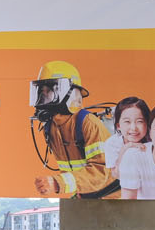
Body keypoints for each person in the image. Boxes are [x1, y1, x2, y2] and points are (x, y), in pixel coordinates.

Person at [29, 60, 116, 198]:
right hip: (87, 198)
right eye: (41, 92)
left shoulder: (88, 124)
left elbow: (100, 172)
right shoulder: (52, 127)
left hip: (114, 199)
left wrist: (57, 183)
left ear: (69, 92)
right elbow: (74, 173)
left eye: (49, 91)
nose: (43, 98)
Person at [104, 96, 152, 187]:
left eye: (140, 121)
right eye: (127, 122)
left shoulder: (153, 139)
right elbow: (116, 174)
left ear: (147, 123)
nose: (133, 128)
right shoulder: (112, 144)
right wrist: (126, 148)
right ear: (118, 126)